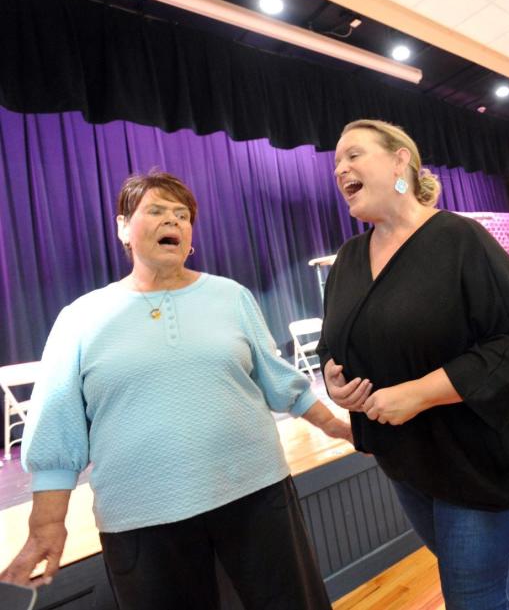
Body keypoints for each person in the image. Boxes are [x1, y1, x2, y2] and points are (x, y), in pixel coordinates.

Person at [0, 171, 350, 610]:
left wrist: (340, 426)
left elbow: (282, 383)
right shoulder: (80, 318)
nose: (173, 222)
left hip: (256, 496)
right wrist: (47, 523)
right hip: (142, 517)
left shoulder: (231, 297)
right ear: (123, 227)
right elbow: (57, 426)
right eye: (157, 211)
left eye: (182, 215)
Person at [319, 119, 509, 610]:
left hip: (475, 459)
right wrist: (333, 380)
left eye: (354, 155)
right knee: (488, 590)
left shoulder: (460, 240)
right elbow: (333, 343)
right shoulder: (348, 258)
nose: (341, 170)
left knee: (471, 596)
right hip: (407, 460)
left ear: (401, 159)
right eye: (336, 163)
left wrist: (419, 393)